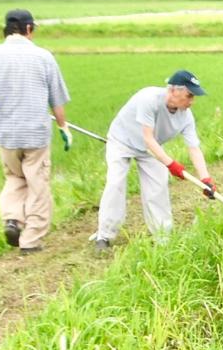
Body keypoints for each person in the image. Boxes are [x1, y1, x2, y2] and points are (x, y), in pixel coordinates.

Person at [0, 7, 73, 252]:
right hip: (36, 133)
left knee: (14, 177)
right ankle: (31, 241)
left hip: (5, 132)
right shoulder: (44, 56)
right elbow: (57, 99)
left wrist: (5, 98)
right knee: (37, 184)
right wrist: (63, 127)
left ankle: (12, 220)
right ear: (29, 28)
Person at [92, 70, 215, 248]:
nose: (192, 101)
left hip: (151, 149)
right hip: (122, 141)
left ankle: (162, 236)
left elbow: (194, 148)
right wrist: (171, 164)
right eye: (189, 95)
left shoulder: (186, 117)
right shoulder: (148, 99)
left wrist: (205, 179)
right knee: (115, 183)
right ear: (173, 90)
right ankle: (104, 235)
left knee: (158, 186)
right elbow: (148, 138)